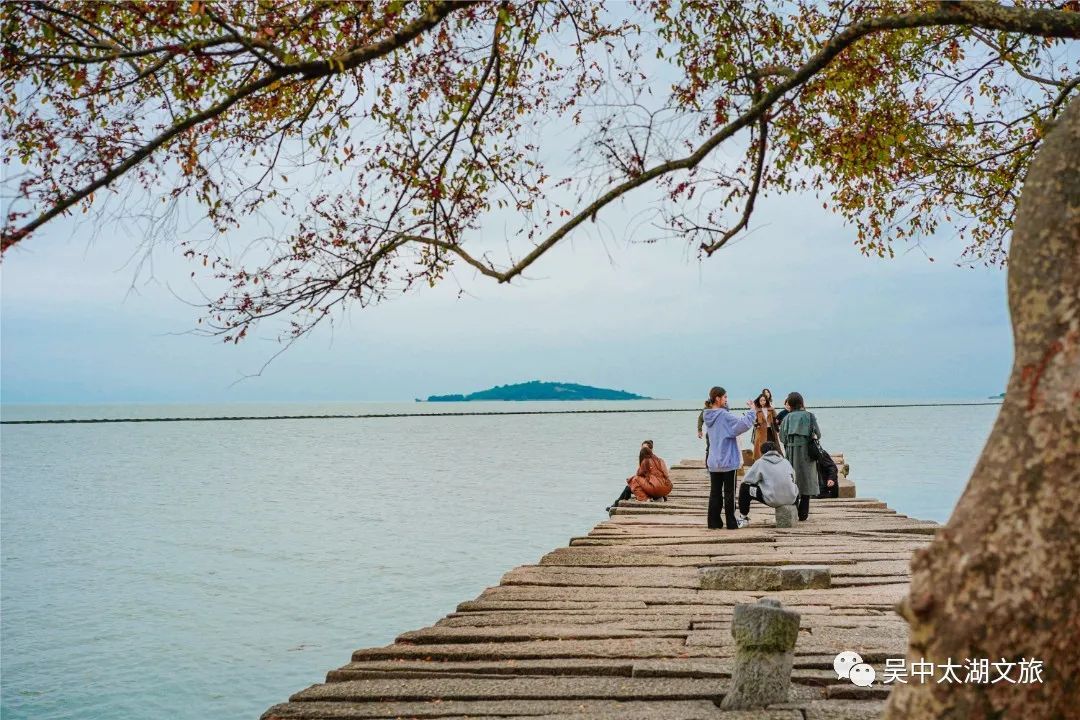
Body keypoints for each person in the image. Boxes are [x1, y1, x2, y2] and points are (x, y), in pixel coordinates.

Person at [702, 386, 757, 530]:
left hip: (714, 461)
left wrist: (726, 407)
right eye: (725, 397)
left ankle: (713, 522)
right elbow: (742, 424)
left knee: (715, 493)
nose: (727, 400)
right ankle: (731, 522)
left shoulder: (708, 415)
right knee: (729, 493)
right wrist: (752, 410)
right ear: (718, 398)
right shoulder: (724, 415)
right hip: (727, 460)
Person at [779, 391, 821, 521]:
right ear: (802, 402)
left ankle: (794, 509)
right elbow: (818, 434)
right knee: (807, 480)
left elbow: (782, 438)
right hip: (807, 453)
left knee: (793, 480)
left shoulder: (786, 418)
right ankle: (803, 514)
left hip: (791, 453)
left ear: (790, 404)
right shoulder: (809, 416)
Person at [735, 441, 798, 527]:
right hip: (791, 498)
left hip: (772, 499)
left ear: (762, 452)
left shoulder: (760, 462)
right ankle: (796, 513)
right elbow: (793, 479)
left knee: (744, 488)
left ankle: (743, 517)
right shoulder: (785, 462)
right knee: (795, 486)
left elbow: (747, 480)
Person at [607, 440, 666, 511]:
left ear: (651, 449)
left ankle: (616, 505)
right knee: (629, 487)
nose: (643, 450)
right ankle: (617, 504)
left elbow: (639, 475)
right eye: (642, 448)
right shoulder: (658, 460)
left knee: (631, 485)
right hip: (657, 487)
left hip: (653, 487)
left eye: (645, 448)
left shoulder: (647, 461)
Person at [750, 393, 780, 460]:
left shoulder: (771, 409)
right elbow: (754, 420)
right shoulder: (757, 410)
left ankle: (774, 459)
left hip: (770, 430)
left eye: (764, 400)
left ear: (766, 400)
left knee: (772, 445)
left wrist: (778, 429)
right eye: (761, 400)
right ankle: (760, 459)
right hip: (760, 431)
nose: (762, 402)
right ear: (758, 401)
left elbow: (776, 419)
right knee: (760, 446)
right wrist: (756, 425)